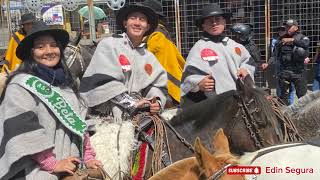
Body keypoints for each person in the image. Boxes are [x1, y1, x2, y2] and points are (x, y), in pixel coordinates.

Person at [0, 21, 101, 179]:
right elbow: (22, 128)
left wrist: (88, 157)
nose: (49, 51)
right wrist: (50, 163)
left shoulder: (67, 84)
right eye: (40, 47)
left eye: (53, 45)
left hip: (71, 163)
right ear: (31, 53)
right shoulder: (20, 85)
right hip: (34, 169)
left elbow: (80, 123)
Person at [79, 3, 167, 121]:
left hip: (140, 116)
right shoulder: (109, 44)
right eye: (133, 18)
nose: (137, 23)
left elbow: (158, 85)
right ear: (125, 23)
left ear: (147, 26)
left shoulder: (149, 57)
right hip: (106, 116)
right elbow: (103, 81)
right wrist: (132, 103)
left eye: (142, 20)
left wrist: (156, 102)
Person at [180, 3, 255, 107]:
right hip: (214, 106)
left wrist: (245, 70)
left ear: (224, 21)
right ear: (203, 25)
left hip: (241, 102)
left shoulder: (235, 46)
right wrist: (198, 84)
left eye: (218, 19)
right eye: (209, 20)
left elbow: (248, 62)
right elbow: (188, 76)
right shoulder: (198, 48)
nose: (214, 23)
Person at [143, 0, 185, 106]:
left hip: (168, 90)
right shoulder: (161, 31)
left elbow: (149, 59)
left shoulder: (156, 35)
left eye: (143, 17)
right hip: (173, 87)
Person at [270, 19, 309, 105]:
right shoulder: (281, 38)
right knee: (282, 97)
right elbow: (275, 54)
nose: (287, 28)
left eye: (289, 26)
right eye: (286, 26)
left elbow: (305, 44)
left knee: (302, 98)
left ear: (296, 28)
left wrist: (292, 40)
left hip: (299, 72)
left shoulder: (302, 37)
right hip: (285, 72)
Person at [262, 25, 296, 103]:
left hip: (292, 67)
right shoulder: (277, 42)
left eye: (283, 30)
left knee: (292, 86)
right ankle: (280, 102)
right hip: (280, 67)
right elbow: (274, 55)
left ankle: (291, 104)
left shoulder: (294, 40)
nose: (281, 31)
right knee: (280, 85)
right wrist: (268, 63)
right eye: (279, 30)